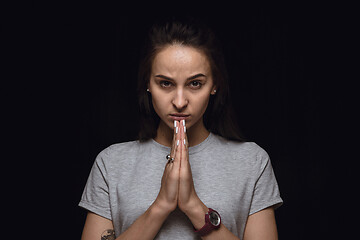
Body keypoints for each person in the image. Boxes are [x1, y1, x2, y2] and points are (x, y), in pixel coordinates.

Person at [79, 17, 283, 240]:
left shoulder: (252, 162)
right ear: (148, 83)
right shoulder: (111, 164)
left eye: (195, 83)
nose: (179, 101)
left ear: (214, 85)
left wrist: (193, 206)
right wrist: (161, 206)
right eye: (165, 83)